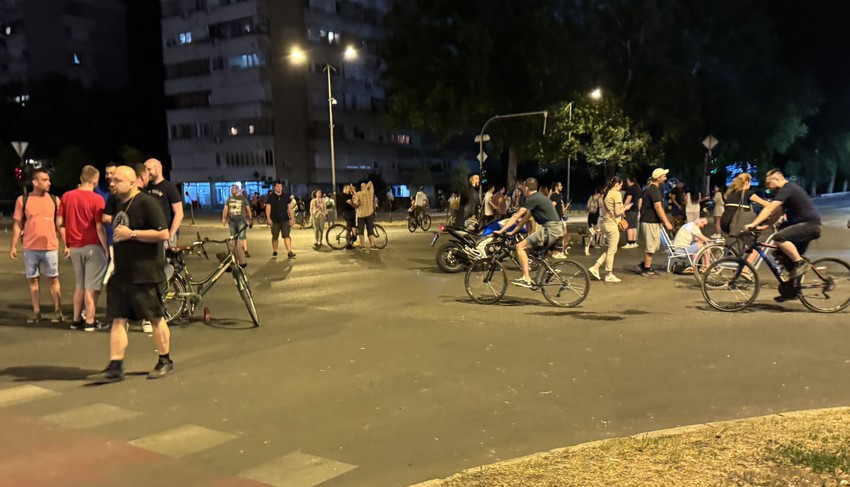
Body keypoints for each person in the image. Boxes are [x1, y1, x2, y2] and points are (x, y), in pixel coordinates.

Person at [90, 165, 173, 382]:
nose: (112, 183)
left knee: (155, 318)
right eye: (112, 180)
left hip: (145, 272)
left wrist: (132, 234)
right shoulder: (117, 201)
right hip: (122, 272)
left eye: (117, 180)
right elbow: (107, 219)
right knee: (118, 318)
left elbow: (163, 233)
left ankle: (165, 360)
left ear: (133, 182)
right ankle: (116, 365)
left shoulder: (147, 203)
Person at [9, 169, 66, 324]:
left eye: (49, 179)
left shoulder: (55, 200)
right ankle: (36, 311)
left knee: (53, 279)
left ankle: (58, 310)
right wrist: (14, 246)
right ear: (35, 182)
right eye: (45, 180)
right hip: (30, 247)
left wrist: (66, 244)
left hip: (51, 247)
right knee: (33, 279)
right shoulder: (23, 200)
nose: (49, 183)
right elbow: (18, 224)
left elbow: (60, 225)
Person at [745, 168, 822, 280]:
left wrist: (753, 223)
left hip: (809, 225)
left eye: (769, 183)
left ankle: (801, 263)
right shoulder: (785, 192)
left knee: (779, 237)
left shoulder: (788, 188)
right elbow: (777, 212)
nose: (767, 186)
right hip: (803, 226)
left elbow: (770, 207)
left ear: (777, 179)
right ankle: (791, 290)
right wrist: (764, 226)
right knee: (785, 257)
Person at [58, 165, 108, 331]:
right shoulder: (97, 199)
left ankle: (76, 319)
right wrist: (106, 248)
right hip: (92, 246)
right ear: (95, 180)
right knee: (91, 286)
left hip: (75, 248)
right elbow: (99, 227)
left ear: (81, 178)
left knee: (79, 284)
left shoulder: (66, 196)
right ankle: (90, 321)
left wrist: (66, 243)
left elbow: (60, 223)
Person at [495, 178, 564, 287]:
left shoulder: (533, 199)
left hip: (550, 230)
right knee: (533, 252)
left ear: (526, 188)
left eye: (523, 188)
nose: (523, 190)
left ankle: (526, 278)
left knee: (519, 247)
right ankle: (550, 270)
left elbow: (516, 216)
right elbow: (523, 220)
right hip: (556, 229)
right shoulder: (539, 198)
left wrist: (501, 231)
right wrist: (512, 232)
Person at [588, 177, 632, 283]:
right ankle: (609, 274)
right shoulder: (616, 194)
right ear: (616, 184)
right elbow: (617, 212)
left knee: (610, 249)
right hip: (612, 225)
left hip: (605, 223)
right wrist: (625, 208)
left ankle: (596, 267)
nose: (621, 187)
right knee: (612, 250)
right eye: (621, 185)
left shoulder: (605, 194)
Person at [639, 168, 674, 276]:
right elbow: (658, 207)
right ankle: (646, 269)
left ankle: (644, 264)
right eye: (664, 176)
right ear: (658, 178)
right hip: (650, 221)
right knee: (651, 246)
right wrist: (666, 221)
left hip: (649, 220)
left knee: (652, 244)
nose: (665, 178)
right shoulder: (654, 189)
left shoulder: (651, 188)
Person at [144, 158, 183, 245]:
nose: (146, 172)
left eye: (149, 169)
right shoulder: (145, 188)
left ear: (158, 169)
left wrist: (171, 234)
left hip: (166, 235)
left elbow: (179, 213)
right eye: (145, 170)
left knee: (166, 258)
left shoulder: (169, 187)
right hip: (150, 235)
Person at [265, 181, 295, 258]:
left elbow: (289, 208)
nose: (279, 188)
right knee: (275, 236)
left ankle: (289, 252)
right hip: (274, 220)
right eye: (277, 186)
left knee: (287, 235)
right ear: (274, 187)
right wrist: (268, 218)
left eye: (280, 186)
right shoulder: (270, 197)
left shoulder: (285, 196)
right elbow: (268, 208)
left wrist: (292, 218)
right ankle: (275, 250)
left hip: (285, 219)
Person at [222, 184, 253, 257]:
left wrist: (250, 219)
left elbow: (248, 209)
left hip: (241, 221)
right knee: (233, 237)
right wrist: (224, 218)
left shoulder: (242, 199)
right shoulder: (229, 199)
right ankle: (234, 251)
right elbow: (226, 209)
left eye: (233, 189)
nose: (231, 190)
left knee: (242, 236)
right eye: (231, 189)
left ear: (237, 190)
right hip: (232, 221)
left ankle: (245, 251)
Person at [353, 180, 377, 250]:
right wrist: (367, 187)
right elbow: (371, 182)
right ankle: (372, 245)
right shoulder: (370, 192)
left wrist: (355, 202)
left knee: (361, 230)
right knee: (370, 230)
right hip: (369, 214)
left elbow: (355, 202)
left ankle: (362, 246)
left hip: (361, 215)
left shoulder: (358, 194)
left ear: (361, 187)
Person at [549, 181, 569, 259]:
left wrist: (566, 207)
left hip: (559, 218)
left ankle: (554, 250)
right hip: (556, 219)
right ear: (556, 187)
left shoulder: (559, 196)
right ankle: (554, 251)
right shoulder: (555, 195)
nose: (562, 187)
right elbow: (552, 205)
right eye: (560, 185)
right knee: (558, 235)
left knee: (563, 233)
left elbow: (561, 209)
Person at [622, 176, 642, 249]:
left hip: (629, 209)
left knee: (629, 226)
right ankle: (634, 242)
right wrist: (639, 209)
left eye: (627, 181)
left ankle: (629, 242)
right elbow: (640, 200)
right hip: (636, 209)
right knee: (634, 226)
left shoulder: (630, 189)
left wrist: (624, 207)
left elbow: (628, 199)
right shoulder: (638, 189)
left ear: (630, 181)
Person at [585, 187, 603, 256]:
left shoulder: (591, 197)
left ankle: (591, 243)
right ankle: (596, 243)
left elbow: (587, 205)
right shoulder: (600, 198)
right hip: (597, 215)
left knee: (591, 229)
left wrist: (590, 209)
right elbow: (602, 206)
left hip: (590, 214)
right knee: (597, 229)